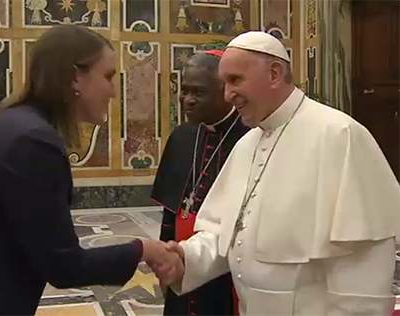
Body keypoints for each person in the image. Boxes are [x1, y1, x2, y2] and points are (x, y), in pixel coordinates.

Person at [159, 31, 400, 316]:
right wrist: (186, 259)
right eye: (224, 83)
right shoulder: (247, 144)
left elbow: (363, 265)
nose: (227, 94)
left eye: (236, 80)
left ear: (274, 74)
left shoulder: (339, 135)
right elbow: (226, 234)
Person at [0, 25, 180, 316]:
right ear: (75, 76)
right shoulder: (32, 141)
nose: (112, 91)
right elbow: (64, 267)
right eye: (108, 76)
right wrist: (144, 249)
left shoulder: (17, 124)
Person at [152, 50, 249, 316]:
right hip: (182, 257)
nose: (187, 100)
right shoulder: (182, 136)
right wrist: (164, 259)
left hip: (226, 265)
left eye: (198, 92)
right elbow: (170, 211)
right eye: (184, 91)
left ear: (225, 91)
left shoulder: (250, 138)